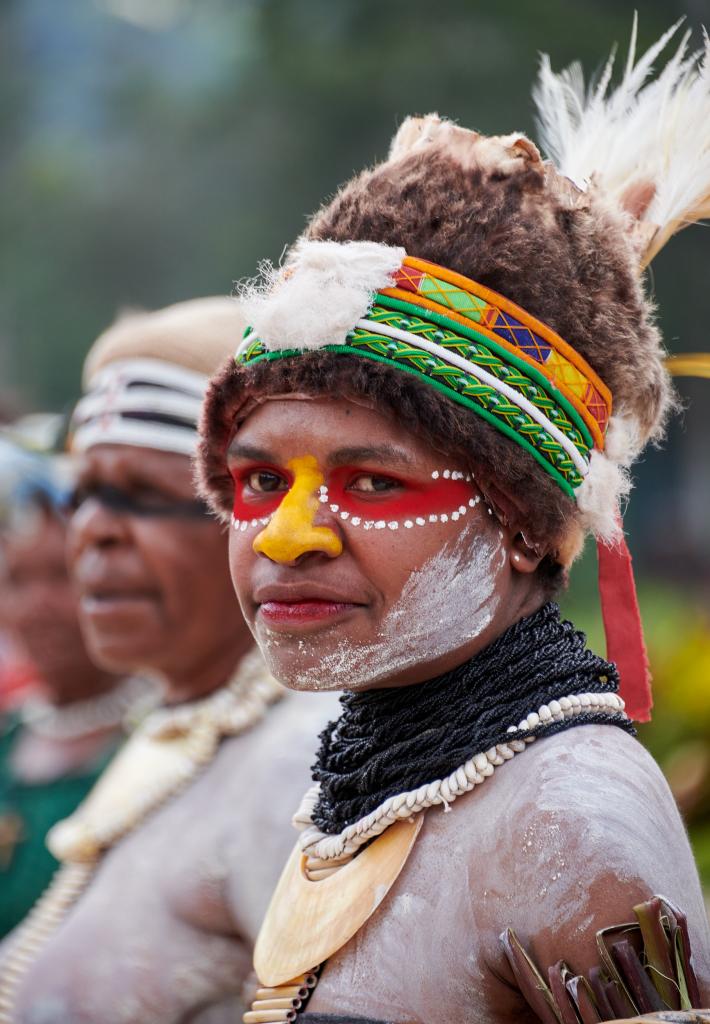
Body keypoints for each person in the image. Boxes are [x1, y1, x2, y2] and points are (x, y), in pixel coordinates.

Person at [196, 26, 710, 1024]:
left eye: (373, 485)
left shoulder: (572, 830)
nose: (286, 534)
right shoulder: (368, 781)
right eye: (257, 480)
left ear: (520, 520)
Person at [1, 299, 338, 1023]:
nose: (92, 533)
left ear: (264, 524)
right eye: (83, 496)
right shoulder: (178, 732)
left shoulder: (308, 764)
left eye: (142, 496)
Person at [0, 436, 142, 937]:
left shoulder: (157, 743)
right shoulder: (8, 735)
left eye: (61, 576)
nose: (37, 607)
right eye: (17, 580)